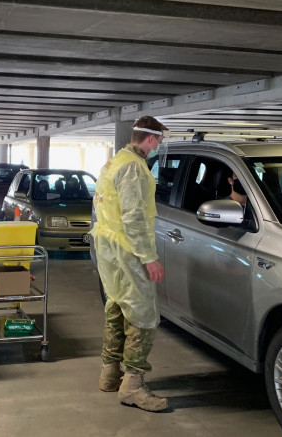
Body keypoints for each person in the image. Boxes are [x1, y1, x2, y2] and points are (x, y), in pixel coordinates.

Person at [90, 115, 168, 412]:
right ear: (151, 139)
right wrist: (149, 258)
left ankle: (110, 374)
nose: (159, 145)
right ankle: (133, 386)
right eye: (159, 140)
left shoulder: (115, 161)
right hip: (128, 251)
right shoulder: (135, 168)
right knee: (143, 316)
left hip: (109, 249)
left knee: (116, 307)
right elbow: (134, 217)